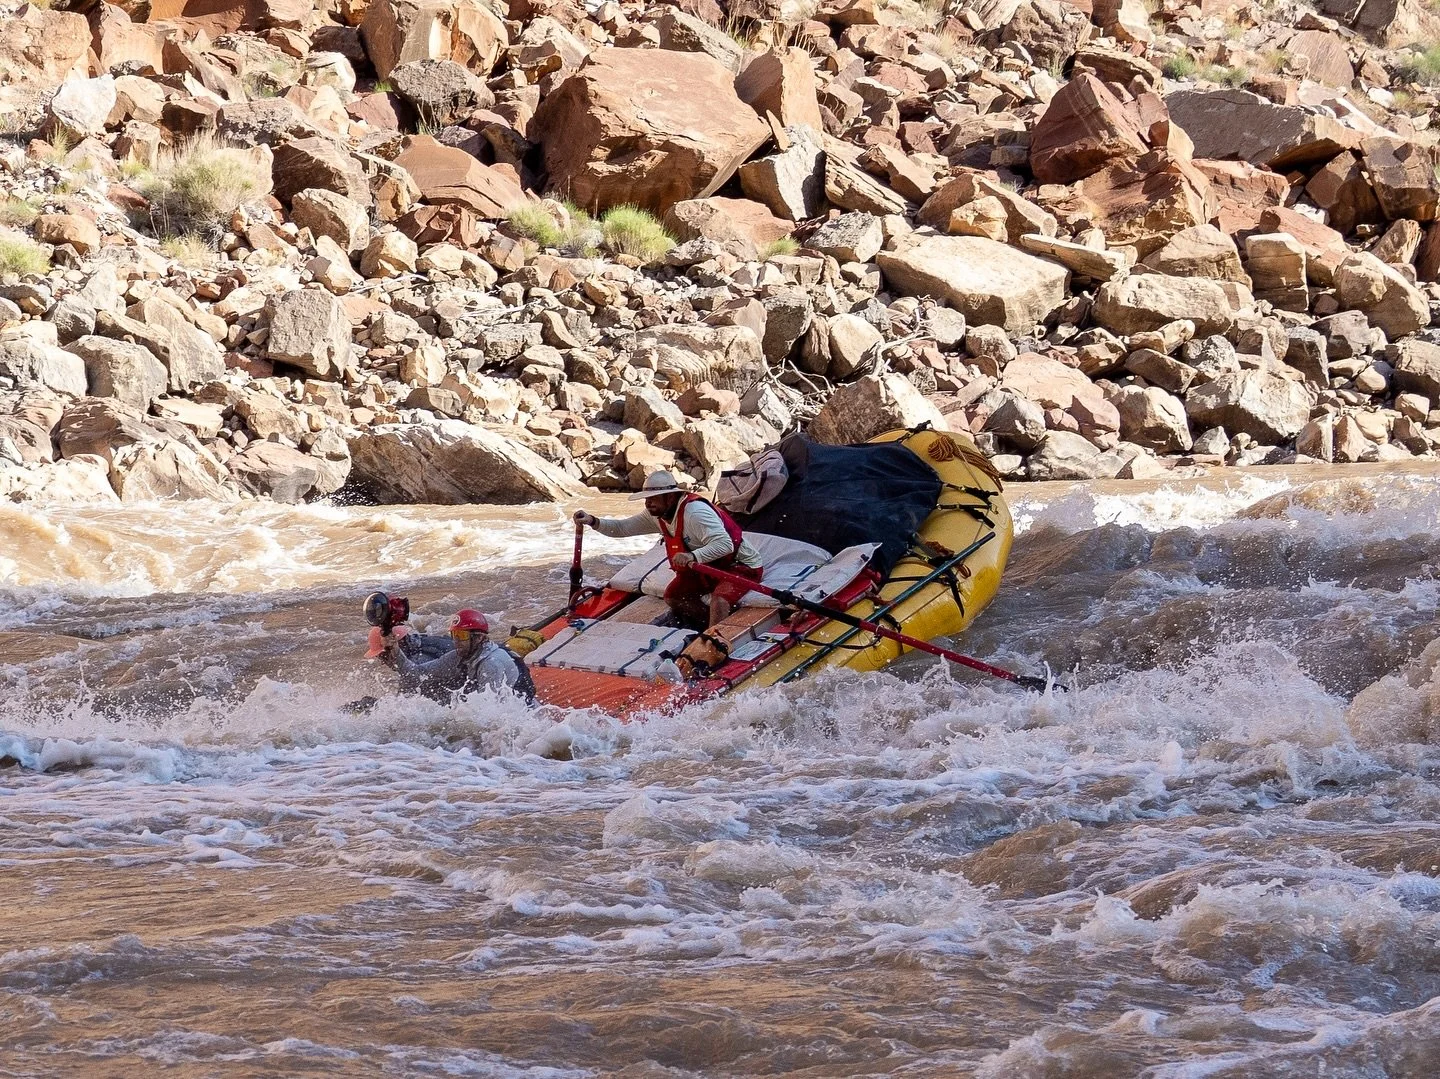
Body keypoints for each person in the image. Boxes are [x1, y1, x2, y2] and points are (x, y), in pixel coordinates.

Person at [574, 470, 765, 629]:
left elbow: (725, 545)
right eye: (646, 499)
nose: (648, 504)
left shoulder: (695, 512)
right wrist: (592, 521)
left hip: (740, 565)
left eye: (653, 499)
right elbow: (622, 528)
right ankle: (710, 626)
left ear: (671, 497)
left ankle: (717, 641)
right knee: (674, 596)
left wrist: (692, 555)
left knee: (720, 600)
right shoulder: (656, 515)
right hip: (706, 566)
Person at [384, 608, 536, 704]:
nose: (456, 641)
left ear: (479, 638)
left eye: (461, 635)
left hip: (522, 712)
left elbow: (488, 715)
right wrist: (396, 650)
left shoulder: (491, 664)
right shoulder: (459, 656)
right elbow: (415, 674)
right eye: (454, 634)